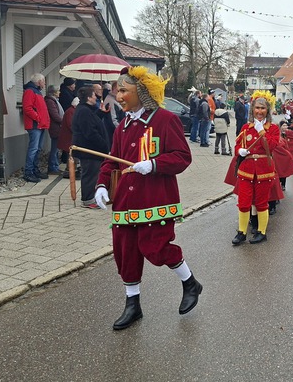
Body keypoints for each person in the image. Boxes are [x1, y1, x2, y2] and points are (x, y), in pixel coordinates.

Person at [94, 66, 201, 330]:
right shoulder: (122, 127)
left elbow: (182, 157)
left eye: (124, 91)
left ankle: (190, 282)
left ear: (141, 91)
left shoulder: (165, 120)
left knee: (155, 248)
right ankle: (133, 304)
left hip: (155, 198)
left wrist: (154, 164)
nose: (119, 96)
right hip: (125, 202)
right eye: (117, 91)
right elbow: (112, 161)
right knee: (125, 252)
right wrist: (101, 185)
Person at [231, 91, 280, 245]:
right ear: (252, 109)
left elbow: (270, 146)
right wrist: (240, 151)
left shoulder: (273, 128)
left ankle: (261, 232)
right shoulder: (246, 127)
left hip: (264, 171)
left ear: (268, 110)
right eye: (257, 108)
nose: (259, 111)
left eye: (263, 108)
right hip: (246, 170)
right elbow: (237, 145)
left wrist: (261, 130)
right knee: (244, 202)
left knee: (261, 203)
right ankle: (242, 232)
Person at [71, 86, 110, 209]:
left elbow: (93, 121)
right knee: (90, 174)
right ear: (88, 98)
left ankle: (92, 196)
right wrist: (104, 145)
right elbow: (90, 132)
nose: (96, 98)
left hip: (92, 149)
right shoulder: (83, 111)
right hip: (88, 149)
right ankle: (88, 199)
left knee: (93, 173)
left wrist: (101, 112)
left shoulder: (87, 110)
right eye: (94, 95)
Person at [21, 73, 49, 183]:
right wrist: (38, 118)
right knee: (33, 149)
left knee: (37, 148)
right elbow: (27, 108)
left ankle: (34, 170)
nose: (44, 83)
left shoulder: (36, 91)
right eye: (43, 81)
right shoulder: (30, 91)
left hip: (39, 124)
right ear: (39, 81)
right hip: (35, 125)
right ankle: (28, 172)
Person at [45, 84, 64, 176]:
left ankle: (55, 166)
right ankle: (52, 167)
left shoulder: (54, 101)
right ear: (54, 92)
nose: (59, 92)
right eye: (58, 91)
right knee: (54, 148)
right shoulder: (50, 101)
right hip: (55, 127)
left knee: (56, 148)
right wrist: (63, 121)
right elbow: (55, 115)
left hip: (57, 127)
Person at [58, 97, 79, 178]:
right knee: (72, 154)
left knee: (73, 154)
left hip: (70, 137)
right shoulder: (71, 112)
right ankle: (69, 171)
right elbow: (71, 125)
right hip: (69, 137)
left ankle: (71, 170)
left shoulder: (72, 111)